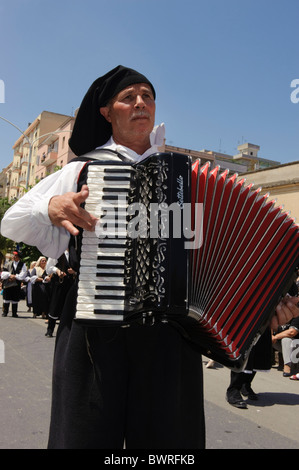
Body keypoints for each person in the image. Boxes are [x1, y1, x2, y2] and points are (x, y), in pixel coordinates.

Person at [0, 65, 298, 449]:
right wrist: (51, 207)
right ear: (107, 112)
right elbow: (12, 221)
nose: (141, 103)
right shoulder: (80, 170)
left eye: (148, 96)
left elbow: (218, 266)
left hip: (170, 341)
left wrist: (260, 308)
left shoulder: (186, 178)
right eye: (129, 97)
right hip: (94, 335)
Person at [45, 251, 76, 337]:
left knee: (69, 307)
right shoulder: (57, 252)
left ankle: (67, 331)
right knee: (55, 305)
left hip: (71, 284)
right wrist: (57, 270)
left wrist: (74, 271)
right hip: (59, 284)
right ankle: (50, 329)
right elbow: (48, 268)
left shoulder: (75, 254)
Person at [272, 296, 299, 377]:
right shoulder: (277, 313)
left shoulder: (296, 314)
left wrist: (275, 336)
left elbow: (292, 332)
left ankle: (288, 367)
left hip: (296, 345)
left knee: (286, 340)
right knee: (265, 337)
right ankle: (262, 362)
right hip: (286, 345)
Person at [1, 250, 27, 318]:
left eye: (15, 255)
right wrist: (9, 275)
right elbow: (3, 274)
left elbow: (23, 275)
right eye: (14, 255)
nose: (14, 257)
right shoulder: (7, 264)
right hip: (8, 284)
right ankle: (5, 312)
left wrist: (15, 277)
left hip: (16, 284)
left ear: (19, 257)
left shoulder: (23, 264)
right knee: (6, 298)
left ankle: (14, 313)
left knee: (15, 299)